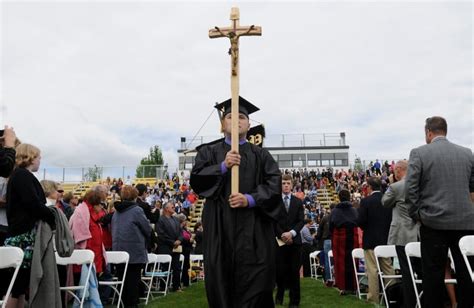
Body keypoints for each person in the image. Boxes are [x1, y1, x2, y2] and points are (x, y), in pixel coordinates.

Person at [190, 96, 281, 307]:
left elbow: (274, 185)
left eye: (241, 117)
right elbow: (197, 181)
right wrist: (222, 166)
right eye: (230, 116)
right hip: (220, 227)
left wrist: (250, 199)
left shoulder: (262, 156)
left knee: (257, 283)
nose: (236, 120)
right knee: (221, 281)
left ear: (249, 124)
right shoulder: (208, 152)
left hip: (254, 230)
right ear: (222, 124)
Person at [405, 116, 474, 308]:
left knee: (433, 276)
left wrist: (416, 215)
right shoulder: (467, 153)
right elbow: (472, 189)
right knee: (466, 273)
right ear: (445, 131)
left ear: (428, 132)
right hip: (465, 223)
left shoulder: (419, 153)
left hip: (433, 222)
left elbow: (410, 190)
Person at [4, 143, 55, 308]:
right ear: (30, 157)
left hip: (21, 234)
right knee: (16, 286)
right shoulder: (22, 176)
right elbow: (33, 204)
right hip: (23, 237)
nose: (40, 160)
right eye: (39, 157)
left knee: (19, 287)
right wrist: (53, 216)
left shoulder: (19, 175)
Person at [382, 160, 420, 308]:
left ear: (398, 170)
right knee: (420, 270)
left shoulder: (396, 186)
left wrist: (391, 183)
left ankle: (409, 303)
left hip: (402, 235)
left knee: (406, 271)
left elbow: (385, 202)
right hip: (418, 233)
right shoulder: (419, 185)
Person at [112, 185, 151, 307]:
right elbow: (147, 229)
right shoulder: (137, 210)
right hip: (133, 253)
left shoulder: (116, 212)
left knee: (123, 283)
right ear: (135, 196)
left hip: (118, 252)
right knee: (133, 283)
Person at [357, 176, 394, 304]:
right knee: (388, 268)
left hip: (371, 240)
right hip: (386, 239)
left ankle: (374, 298)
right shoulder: (387, 200)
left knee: (372, 270)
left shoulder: (366, 202)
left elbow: (361, 221)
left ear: (370, 187)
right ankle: (392, 296)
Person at [274, 174, 304, 307]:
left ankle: (294, 301)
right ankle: (279, 295)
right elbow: (273, 221)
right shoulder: (275, 202)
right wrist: (282, 235)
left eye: (288, 183)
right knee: (279, 272)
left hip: (295, 242)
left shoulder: (298, 202)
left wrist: (291, 234)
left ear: (292, 185)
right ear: (280, 185)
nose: (285, 185)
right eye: (283, 183)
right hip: (279, 243)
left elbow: (301, 221)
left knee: (294, 273)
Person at [329, 189, 360, 295]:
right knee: (353, 261)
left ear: (339, 197)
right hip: (353, 237)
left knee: (340, 262)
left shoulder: (335, 211)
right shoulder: (354, 210)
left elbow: (331, 227)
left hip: (339, 238)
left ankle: (342, 285)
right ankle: (353, 286)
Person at [156, 201, 183, 292]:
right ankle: (163, 287)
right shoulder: (160, 220)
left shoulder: (176, 219)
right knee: (165, 267)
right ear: (166, 209)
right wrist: (173, 242)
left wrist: (179, 240)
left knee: (176, 267)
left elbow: (180, 232)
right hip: (165, 247)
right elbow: (161, 235)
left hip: (176, 247)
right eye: (172, 207)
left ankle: (176, 287)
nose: (174, 208)